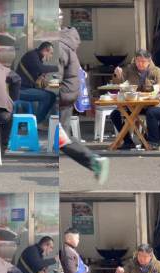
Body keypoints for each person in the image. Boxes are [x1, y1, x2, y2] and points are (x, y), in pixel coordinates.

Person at [56, 23, 109, 184]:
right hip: (68, 95)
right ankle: (93, 161)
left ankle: (94, 161)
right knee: (61, 137)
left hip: (62, 96)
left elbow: (56, 77)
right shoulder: (67, 43)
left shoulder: (59, 46)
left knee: (61, 138)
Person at [111, 49, 160, 150]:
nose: (140, 64)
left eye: (143, 61)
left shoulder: (156, 71)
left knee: (151, 113)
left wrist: (151, 89)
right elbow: (119, 82)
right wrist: (117, 75)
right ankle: (128, 141)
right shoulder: (130, 68)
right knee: (115, 114)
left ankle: (150, 140)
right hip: (132, 104)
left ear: (149, 61)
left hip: (149, 104)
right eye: (137, 61)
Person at [16, 41, 58, 124]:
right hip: (21, 89)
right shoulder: (32, 55)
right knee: (47, 96)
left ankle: (49, 122)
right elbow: (41, 68)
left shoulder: (37, 58)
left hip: (26, 88)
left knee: (52, 96)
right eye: (51, 53)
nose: (51, 56)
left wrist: (43, 80)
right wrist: (58, 68)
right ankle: (36, 123)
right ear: (45, 50)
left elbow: (38, 74)